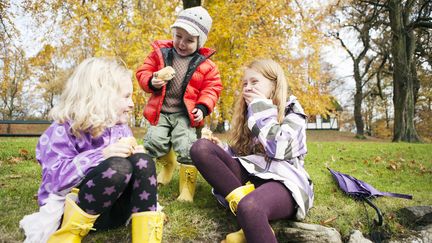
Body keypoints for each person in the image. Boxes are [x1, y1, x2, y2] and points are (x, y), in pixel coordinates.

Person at [19, 57, 164, 243]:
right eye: (126, 96)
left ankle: (147, 238)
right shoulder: (63, 130)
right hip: (80, 213)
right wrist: (101, 156)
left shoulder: (120, 128)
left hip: (118, 212)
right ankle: (68, 237)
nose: (131, 104)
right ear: (101, 96)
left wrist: (136, 153)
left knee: (142, 161)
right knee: (118, 167)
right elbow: (54, 180)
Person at [190, 59, 314, 243]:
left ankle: (250, 219)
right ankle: (251, 224)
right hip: (251, 178)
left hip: (283, 183)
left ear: (274, 85)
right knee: (201, 148)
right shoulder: (247, 114)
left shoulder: (293, 112)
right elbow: (240, 154)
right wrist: (220, 149)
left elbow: (276, 148)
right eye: (245, 84)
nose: (247, 88)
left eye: (254, 82)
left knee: (250, 206)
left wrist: (259, 108)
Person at [136, 6, 223, 202]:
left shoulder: (206, 65)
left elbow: (212, 88)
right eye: (178, 36)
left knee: (186, 147)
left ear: (200, 42)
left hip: (185, 114)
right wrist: (151, 80)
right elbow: (143, 71)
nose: (182, 43)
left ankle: (186, 190)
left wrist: (202, 107)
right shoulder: (160, 54)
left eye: (189, 40)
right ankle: (167, 166)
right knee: (154, 142)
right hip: (161, 111)